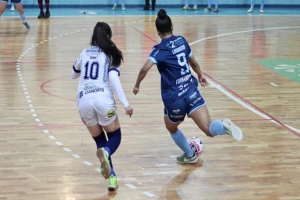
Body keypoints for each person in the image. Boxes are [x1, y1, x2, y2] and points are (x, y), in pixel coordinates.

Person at [133, 9, 243, 164]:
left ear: (157, 31)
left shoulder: (159, 50)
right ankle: (224, 128)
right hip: (191, 90)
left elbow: (145, 68)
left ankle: (190, 154)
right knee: (209, 128)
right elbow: (194, 63)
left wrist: (137, 85)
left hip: (174, 99)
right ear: (172, 26)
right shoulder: (182, 41)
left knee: (171, 127)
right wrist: (200, 75)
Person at [71, 22, 133, 190]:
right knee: (115, 137)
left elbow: (73, 74)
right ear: (109, 37)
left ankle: (112, 178)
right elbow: (113, 79)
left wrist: (79, 65)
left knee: (99, 140)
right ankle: (107, 153)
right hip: (102, 98)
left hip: (83, 100)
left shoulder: (84, 52)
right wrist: (126, 104)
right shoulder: (111, 54)